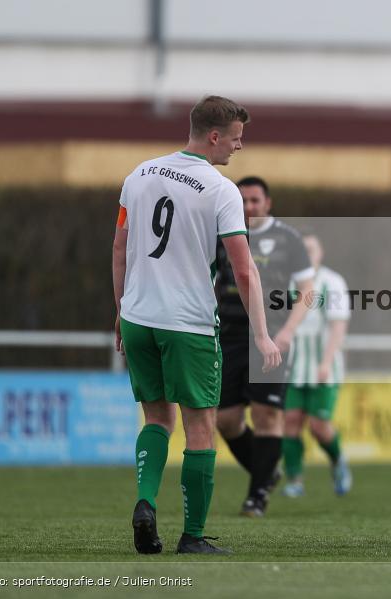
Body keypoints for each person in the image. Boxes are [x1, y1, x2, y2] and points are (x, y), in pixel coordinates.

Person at [113, 95, 281, 555]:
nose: (238, 147)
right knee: (200, 424)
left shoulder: (139, 174)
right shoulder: (220, 189)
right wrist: (262, 332)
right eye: (235, 138)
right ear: (213, 136)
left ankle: (146, 503)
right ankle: (192, 536)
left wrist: (120, 308)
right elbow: (244, 270)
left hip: (137, 316)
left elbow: (119, 249)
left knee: (156, 417)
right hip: (187, 322)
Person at [214, 176, 314, 518]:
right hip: (228, 337)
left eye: (255, 200)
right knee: (225, 420)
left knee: (266, 414)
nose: (248, 207)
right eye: (242, 200)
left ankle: (256, 496)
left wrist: (287, 332)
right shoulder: (222, 235)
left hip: (271, 338)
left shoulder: (288, 238)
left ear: (267, 203)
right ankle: (267, 471)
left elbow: (307, 290)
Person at [282, 231, 353, 497]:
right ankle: (295, 480)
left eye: (312, 249)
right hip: (293, 366)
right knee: (290, 421)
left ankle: (338, 462)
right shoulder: (288, 282)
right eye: (303, 250)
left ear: (320, 253)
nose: (307, 254)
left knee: (318, 426)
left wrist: (325, 362)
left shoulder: (332, 282)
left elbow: (338, 326)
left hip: (324, 365)